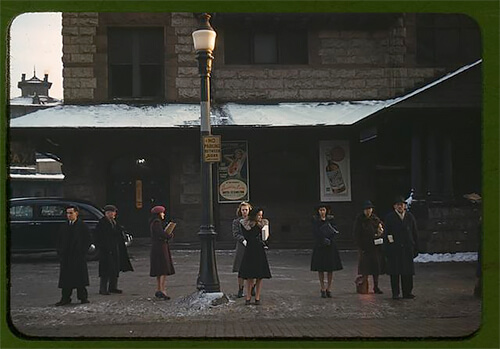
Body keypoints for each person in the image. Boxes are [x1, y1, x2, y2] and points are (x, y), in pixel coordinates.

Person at [383, 196, 419, 300]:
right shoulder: (390, 217)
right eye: (398, 204)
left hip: (408, 248)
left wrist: (416, 246)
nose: (400, 206)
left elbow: (414, 232)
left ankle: (407, 292)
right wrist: (389, 246)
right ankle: (396, 293)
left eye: (402, 204)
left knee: (407, 272)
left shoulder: (410, 217)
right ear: (394, 206)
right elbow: (387, 233)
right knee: (395, 272)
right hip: (395, 249)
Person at [55, 205, 91, 306]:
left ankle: (83, 298)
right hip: (66, 257)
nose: (69, 215)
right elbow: (59, 240)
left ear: (76, 213)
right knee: (66, 279)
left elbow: (88, 240)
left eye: (71, 213)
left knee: (80, 279)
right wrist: (60, 252)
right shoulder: (64, 226)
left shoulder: (82, 226)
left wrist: (82, 251)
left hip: (78, 256)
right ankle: (65, 298)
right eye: (67, 213)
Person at [94, 204, 133, 295]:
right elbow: (98, 237)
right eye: (112, 212)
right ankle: (103, 289)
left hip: (115, 248)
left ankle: (113, 287)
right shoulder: (102, 223)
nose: (114, 214)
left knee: (115, 268)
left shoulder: (114, 222)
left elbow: (118, 234)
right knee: (105, 270)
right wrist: (103, 247)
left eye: (114, 212)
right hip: (106, 250)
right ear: (107, 213)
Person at [238, 207, 271, 305]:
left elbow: (267, 237)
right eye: (259, 215)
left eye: (261, 215)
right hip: (250, 250)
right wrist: (255, 225)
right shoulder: (246, 224)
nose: (260, 217)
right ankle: (248, 296)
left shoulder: (263, 224)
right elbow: (247, 236)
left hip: (259, 250)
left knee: (259, 276)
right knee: (249, 276)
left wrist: (266, 237)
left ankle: (257, 297)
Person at [353, 200, 386, 294]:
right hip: (365, 247)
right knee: (365, 268)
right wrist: (360, 245)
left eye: (370, 209)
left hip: (375, 247)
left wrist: (380, 232)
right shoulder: (360, 220)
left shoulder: (375, 219)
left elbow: (381, 228)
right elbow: (356, 233)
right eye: (367, 209)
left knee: (376, 267)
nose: (368, 211)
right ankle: (364, 284)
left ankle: (376, 286)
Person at [310, 204, 343, 298]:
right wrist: (322, 239)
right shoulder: (315, 220)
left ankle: (329, 288)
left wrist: (330, 239)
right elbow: (314, 232)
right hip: (320, 246)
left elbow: (335, 230)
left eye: (323, 210)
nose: (322, 212)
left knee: (330, 268)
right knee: (320, 268)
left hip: (330, 246)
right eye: (320, 210)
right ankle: (322, 288)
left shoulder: (331, 220)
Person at [149, 205, 175, 300]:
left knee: (160, 269)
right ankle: (162, 289)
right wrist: (169, 235)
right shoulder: (157, 223)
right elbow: (161, 234)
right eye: (162, 212)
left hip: (158, 247)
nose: (163, 214)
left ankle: (159, 288)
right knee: (163, 268)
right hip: (160, 247)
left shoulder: (154, 222)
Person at [231, 201, 254, 298]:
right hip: (241, 246)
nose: (244, 211)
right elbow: (236, 233)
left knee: (252, 268)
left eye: (246, 210)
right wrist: (243, 240)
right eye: (243, 210)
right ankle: (240, 289)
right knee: (240, 269)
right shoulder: (236, 222)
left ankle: (252, 288)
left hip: (252, 245)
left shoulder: (252, 221)